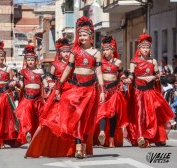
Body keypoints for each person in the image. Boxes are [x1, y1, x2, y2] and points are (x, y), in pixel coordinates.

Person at [27, 16, 105, 158]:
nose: (82, 37)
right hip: (76, 89)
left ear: (91, 36)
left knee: (85, 118)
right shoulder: (74, 52)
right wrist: (58, 86)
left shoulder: (97, 53)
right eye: (80, 35)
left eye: (84, 35)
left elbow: (98, 72)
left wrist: (102, 90)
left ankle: (81, 146)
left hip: (90, 90)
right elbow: (68, 70)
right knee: (76, 117)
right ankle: (78, 148)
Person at [125, 34, 175, 147]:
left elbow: (158, 75)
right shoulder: (134, 61)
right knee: (140, 114)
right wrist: (128, 79)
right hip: (138, 92)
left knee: (152, 114)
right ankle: (140, 136)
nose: (146, 50)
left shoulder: (153, 61)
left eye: (147, 47)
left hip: (150, 91)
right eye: (143, 47)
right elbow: (132, 75)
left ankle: (150, 136)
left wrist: (152, 77)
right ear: (139, 49)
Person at [94, 36, 128, 148]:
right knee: (102, 112)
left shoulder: (118, 62)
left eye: (107, 49)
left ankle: (112, 139)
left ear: (113, 50)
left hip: (114, 91)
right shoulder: (99, 62)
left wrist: (125, 80)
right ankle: (102, 132)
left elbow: (121, 74)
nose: (105, 52)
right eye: (103, 49)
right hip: (103, 90)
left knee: (113, 115)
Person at [14, 44, 48, 145]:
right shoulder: (23, 72)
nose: (30, 62)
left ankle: (37, 137)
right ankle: (27, 131)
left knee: (38, 119)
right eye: (28, 60)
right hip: (27, 98)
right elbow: (20, 84)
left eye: (32, 59)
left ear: (35, 60)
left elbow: (45, 82)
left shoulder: (40, 71)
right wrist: (16, 84)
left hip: (38, 100)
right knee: (25, 115)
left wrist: (47, 87)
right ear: (25, 61)